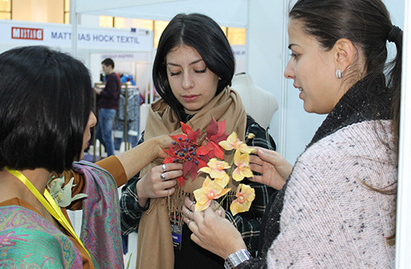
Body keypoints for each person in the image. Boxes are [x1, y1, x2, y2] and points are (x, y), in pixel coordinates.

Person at [183, 0, 401, 268]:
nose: (288, 71)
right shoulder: (387, 129)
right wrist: (296, 184)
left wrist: (232, 250)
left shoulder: (330, 159)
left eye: (296, 54)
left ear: (342, 54)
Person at [0, 46, 173, 268]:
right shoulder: (23, 251)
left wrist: (155, 146)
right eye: (82, 109)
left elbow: (92, 179)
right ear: (47, 119)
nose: (93, 119)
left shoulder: (13, 179)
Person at [119, 13, 276, 269]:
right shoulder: (157, 131)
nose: (186, 84)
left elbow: (273, 230)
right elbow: (119, 223)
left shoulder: (247, 137)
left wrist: (225, 226)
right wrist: (141, 192)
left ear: (219, 68)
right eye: (175, 72)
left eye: (199, 70)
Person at [94, 58, 121, 157]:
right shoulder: (114, 77)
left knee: (106, 135)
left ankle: (111, 156)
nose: (103, 69)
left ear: (109, 66)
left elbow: (112, 94)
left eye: (104, 67)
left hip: (107, 109)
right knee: (99, 134)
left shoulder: (112, 78)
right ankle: (110, 154)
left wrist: (100, 92)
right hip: (107, 109)